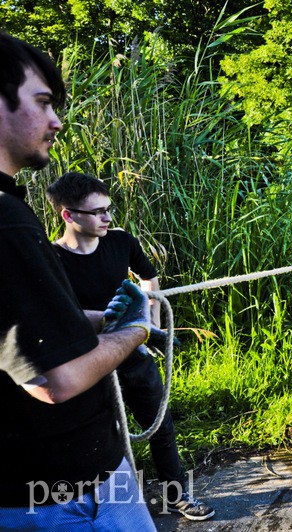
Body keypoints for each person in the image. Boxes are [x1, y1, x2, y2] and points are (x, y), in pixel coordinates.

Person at [0, 32, 156, 528]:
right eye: (43, 102)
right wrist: (137, 329)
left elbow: (16, 332)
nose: (57, 122)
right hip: (68, 494)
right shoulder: (9, 223)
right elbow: (54, 380)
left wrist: (95, 317)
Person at [46, 172, 215, 521]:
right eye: (98, 212)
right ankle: (117, 507)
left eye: (109, 209)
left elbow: (149, 279)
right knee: (104, 438)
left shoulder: (121, 241)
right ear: (68, 215)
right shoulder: (51, 259)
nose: (108, 218)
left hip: (133, 353)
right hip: (88, 363)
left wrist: (149, 325)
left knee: (160, 425)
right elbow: (54, 314)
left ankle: (176, 495)